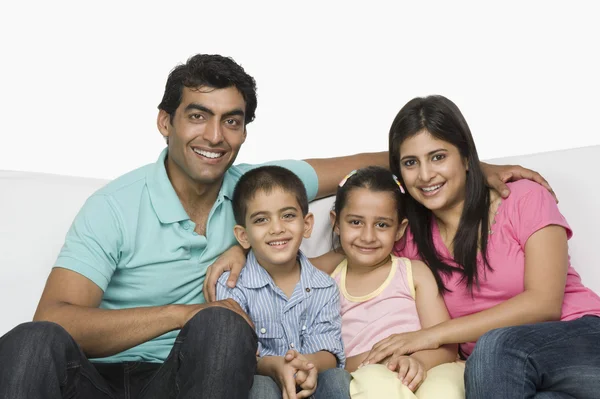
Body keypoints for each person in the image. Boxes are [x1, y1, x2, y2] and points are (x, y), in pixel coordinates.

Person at [0, 52, 552, 399]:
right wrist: (185, 313)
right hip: (95, 380)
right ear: (165, 122)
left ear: (243, 132)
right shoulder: (114, 206)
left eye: (231, 120)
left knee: (222, 331)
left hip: (191, 376)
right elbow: (57, 319)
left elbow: (379, 161)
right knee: (30, 341)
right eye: (197, 115)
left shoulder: (263, 189)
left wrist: (478, 167)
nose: (214, 135)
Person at [360, 95, 600, 398]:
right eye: (411, 163)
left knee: (496, 345)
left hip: (581, 340)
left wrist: (428, 337)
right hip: (502, 376)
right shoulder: (406, 239)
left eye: (438, 157)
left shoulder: (523, 198)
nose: (425, 175)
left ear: (465, 156)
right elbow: (345, 256)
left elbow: (544, 303)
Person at [313, 166, 464, 399]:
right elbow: (282, 265)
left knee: (444, 390)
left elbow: (446, 345)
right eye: (355, 222)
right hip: (368, 372)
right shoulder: (326, 282)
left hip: (430, 365)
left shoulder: (413, 272)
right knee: (376, 384)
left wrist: (416, 362)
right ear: (336, 223)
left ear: (399, 230)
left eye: (382, 224)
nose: (368, 236)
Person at [216, 166, 349, 399]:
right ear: (243, 236)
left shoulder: (324, 287)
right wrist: (276, 367)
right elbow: (236, 356)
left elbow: (329, 349)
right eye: (261, 219)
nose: (277, 228)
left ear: (307, 225)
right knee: (261, 387)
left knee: (338, 379)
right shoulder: (233, 287)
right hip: (262, 382)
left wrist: (307, 365)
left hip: (310, 382)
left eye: (288, 215)